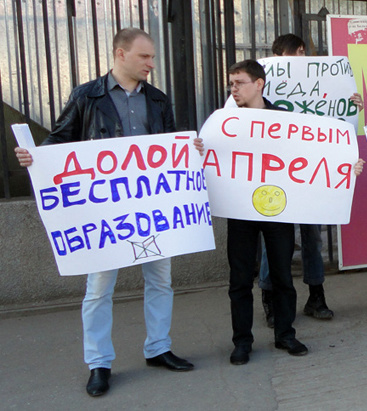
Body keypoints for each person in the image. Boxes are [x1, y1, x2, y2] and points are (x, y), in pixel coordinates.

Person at [15, 28, 201, 397]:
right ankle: (98, 363)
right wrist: (34, 157)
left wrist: (188, 147)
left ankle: (158, 348)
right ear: (120, 54)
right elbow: (60, 140)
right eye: (144, 57)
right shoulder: (87, 96)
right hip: (104, 213)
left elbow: (169, 145)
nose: (151, 64)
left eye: (152, 57)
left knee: (160, 280)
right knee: (99, 288)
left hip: (150, 208)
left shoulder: (158, 99)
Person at [223, 59, 364, 365]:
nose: (233, 89)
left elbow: (313, 157)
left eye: (239, 82)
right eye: (230, 83)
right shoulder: (223, 123)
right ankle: (242, 341)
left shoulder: (285, 121)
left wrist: (346, 166)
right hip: (240, 211)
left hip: (279, 209)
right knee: (240, 280)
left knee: (282, 275)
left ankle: (285, 334)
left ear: (259, 84)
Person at [259, 33, 364, 327]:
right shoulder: (264, 93)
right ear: (278, 58)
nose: (301, 57)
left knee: (312, 236)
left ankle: (316, 296)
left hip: (311, 175)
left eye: (304, 52)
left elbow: (336, 122)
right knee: (273, 241)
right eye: (294, 53)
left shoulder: (322, 88)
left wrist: (351, 105)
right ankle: (270, 298)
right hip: (277, 176)